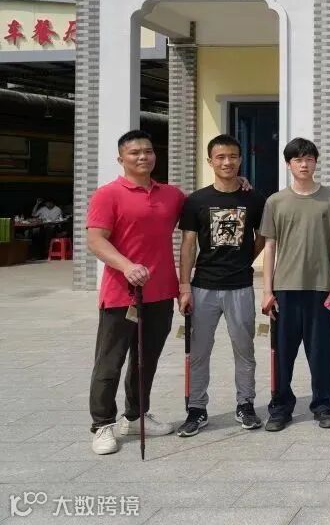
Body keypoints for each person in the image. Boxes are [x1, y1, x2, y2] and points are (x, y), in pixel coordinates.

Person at [86, 130, 186, 455]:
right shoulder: (107, 195)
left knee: (146, 361)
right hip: (121, 294)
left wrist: (239, 183)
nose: (143, 157)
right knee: (110, 361)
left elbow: (203, 207)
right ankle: (102, 424)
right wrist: (127, 266)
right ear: (121, 159)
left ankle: (135, 415)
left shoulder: (171, 195)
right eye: (134, 153)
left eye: (148, 151)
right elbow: (95, 240)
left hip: (161, 292)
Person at [176, 134, 267, 436]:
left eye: (233, 156)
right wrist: (184, 287)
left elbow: (263, 236)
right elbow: (188, 245)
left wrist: (246, 260)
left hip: (240, 286)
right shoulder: (196, 201)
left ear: (240, 160)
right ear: (210, 161)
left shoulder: (254, 199)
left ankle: (246, 404)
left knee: (245, 350)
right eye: (220, 157)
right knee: (199, 352)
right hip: (203, 286)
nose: (227, 162)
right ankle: (196, 408)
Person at [259, 138, 330, 431]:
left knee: (320, 351)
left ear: (316, 162)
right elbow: (270, 246)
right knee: (282, 352)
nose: (304, 164)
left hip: (320, 287)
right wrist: (267, 291)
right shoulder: (276, 202)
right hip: (285, 288)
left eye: (309, 159)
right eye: (298, 159)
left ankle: (323, 406)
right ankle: (280, 407)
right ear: (288, 164)